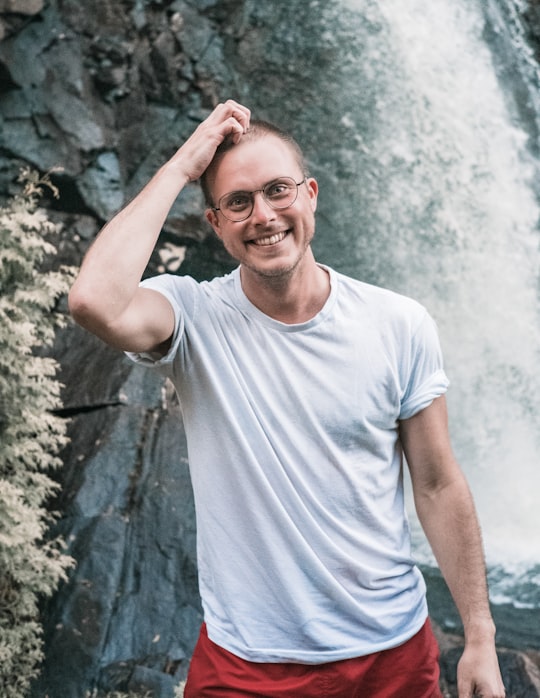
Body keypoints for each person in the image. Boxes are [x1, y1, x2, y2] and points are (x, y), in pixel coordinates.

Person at [69, 99, 505, 698]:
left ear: (311, 194)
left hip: (392, 659)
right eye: (238, 202)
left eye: (279, 190)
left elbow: (436, 483)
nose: (264, 215)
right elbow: (95, 302)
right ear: (216, 224)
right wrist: (181, 167)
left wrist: (479, 635)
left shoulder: (399, 323)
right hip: (246, 665)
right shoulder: (195, 318)